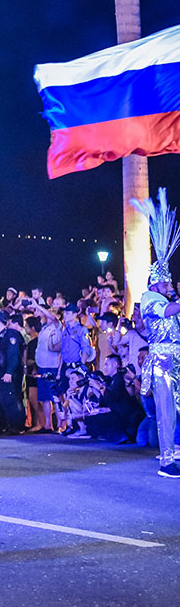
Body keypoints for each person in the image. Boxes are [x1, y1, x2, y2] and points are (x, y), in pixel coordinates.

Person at [130, 190, 180, 477]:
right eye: (167, 283)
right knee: (165, 412)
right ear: (158, 282)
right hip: (161, 362)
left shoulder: (164, 298)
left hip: (175, 361)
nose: (170, 285)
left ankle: (173, 451)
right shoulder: (150, 298)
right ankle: (166, 461)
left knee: (174, 411)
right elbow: (169, 311)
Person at [0, 311, 26, 435]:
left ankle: (16, 425)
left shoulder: (10, 334)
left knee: (10, 399)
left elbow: (13, 355)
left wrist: (9, 372)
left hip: (6, 373)